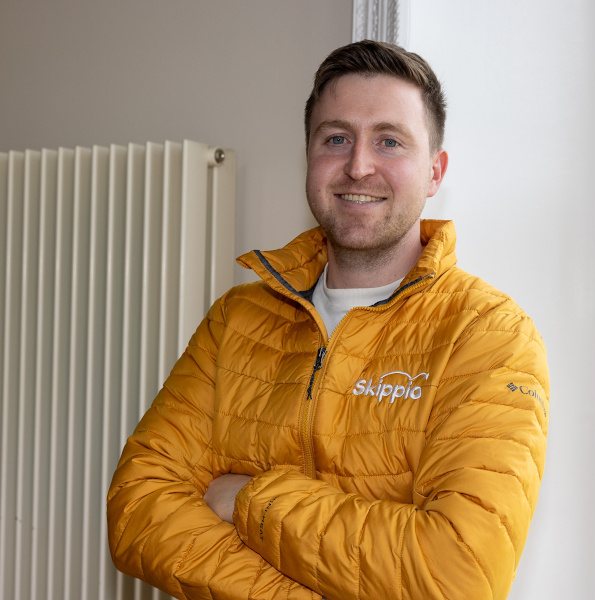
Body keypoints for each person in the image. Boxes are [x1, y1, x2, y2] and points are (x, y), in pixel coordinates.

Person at [107, 39, 549, 600]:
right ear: (310, 157)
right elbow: (137, 508)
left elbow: (456, 573)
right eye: (336, 138)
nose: (359, 165)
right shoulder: (236, 319)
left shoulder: (488, 334)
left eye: (389, 141)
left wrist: (248, 499)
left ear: (435, 171)